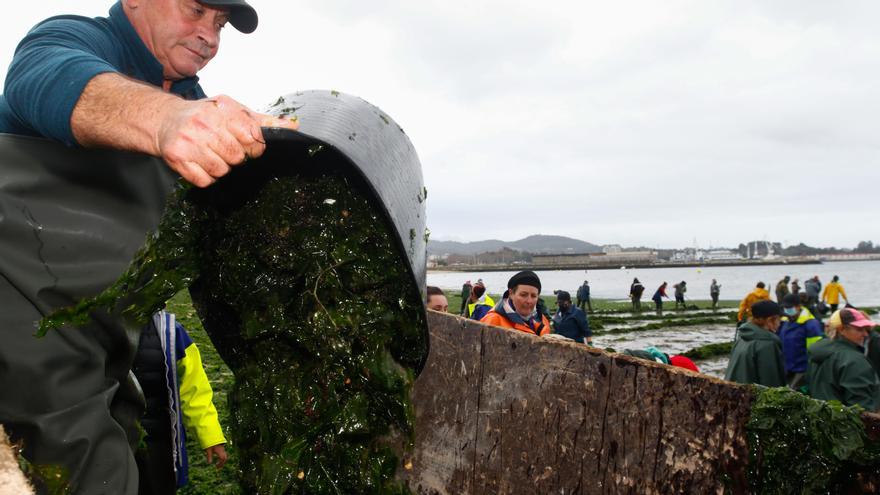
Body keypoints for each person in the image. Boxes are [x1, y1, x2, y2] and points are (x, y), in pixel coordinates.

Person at [0, 2, 298, 492]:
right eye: (195, 10)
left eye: (219, 24)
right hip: (24, 330)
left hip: (109, 347)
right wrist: (165, 122)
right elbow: (46, 76)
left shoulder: (194, 101)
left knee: (139, 455)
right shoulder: (75, 40)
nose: (209, 36)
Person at [133, 311, 227, 493]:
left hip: (159, 444)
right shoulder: (94, 326)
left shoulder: (171, 331)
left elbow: (194, 390)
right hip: (111, 441)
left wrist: (211, 437)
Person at [807, 309, 880, 411]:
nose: (865, 334)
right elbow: (862, 408)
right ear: (841, 329)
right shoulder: (854, 360)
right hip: (846, 424)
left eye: (866, 329)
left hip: (822, 419)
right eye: (860, 329)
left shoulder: (817, 352)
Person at [724, 300, 786, 387]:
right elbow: (771, 381)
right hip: (751, 397)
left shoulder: (742, 337)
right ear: (769, 320)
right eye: (779, 319)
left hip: (734, 393)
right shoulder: (768, 343)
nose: (780, 324)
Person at [480, 271, 552, 337]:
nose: (529, 301)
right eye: (523, 295)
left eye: (533, 296)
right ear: (511, 294)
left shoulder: (542, 320)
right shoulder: (492, 321)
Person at [777, 294, 824, 390]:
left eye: (789, 307)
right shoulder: (785, 322)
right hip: (786, 368)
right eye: (785, 308)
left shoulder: (811, 325)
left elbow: (815, 352)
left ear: (798, 306)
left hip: (802, 370)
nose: (787, 310)